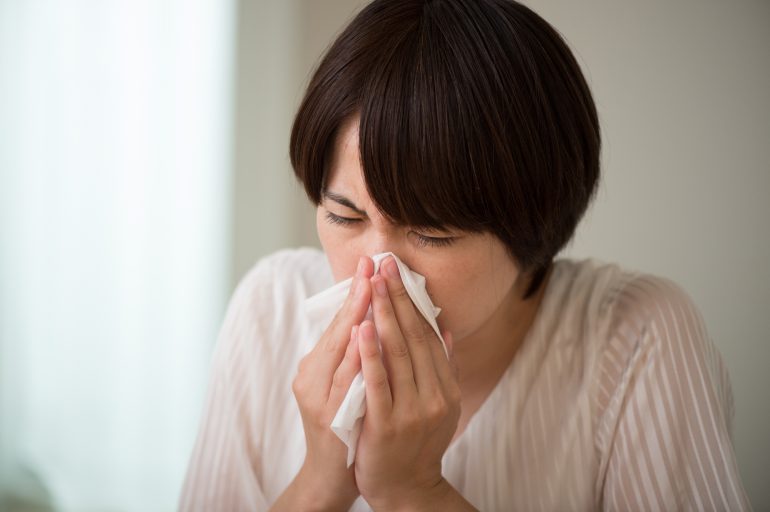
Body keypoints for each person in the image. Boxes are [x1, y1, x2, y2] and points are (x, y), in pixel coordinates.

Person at [179, 0, 751, 510]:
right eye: (345, 217)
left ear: (535, 229)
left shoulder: (636, 339)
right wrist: (321, 482)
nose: (376, 271)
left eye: (431, 234)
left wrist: (415, 493)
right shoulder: (271, 306)